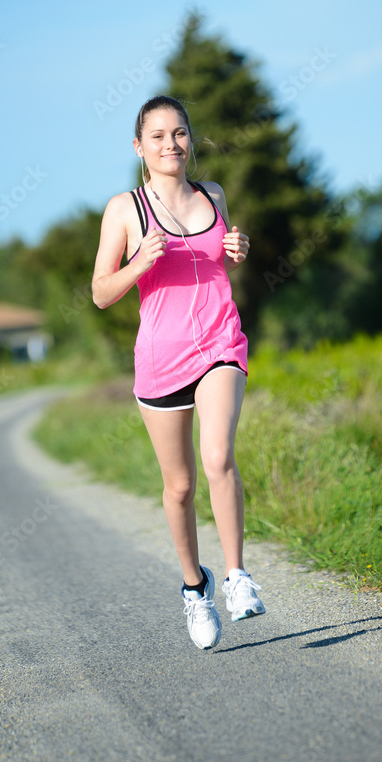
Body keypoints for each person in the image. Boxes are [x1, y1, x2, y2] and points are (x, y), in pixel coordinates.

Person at [92, 95, 265, 650]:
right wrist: (138, 262)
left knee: (218, 457)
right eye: (159, 135)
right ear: (139, 147)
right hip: (161, 358)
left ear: (192, 140)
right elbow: (100, 293)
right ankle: (196, 588)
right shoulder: (125, 208)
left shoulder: (213, 195)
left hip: (219, 341)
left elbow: (219, 259)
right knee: (180, 485)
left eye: (181, 133)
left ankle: (237, 577)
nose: (172, 144)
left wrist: (236, 249)